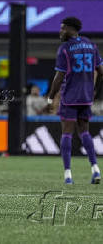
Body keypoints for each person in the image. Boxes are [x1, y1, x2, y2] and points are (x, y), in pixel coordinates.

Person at [47, 17, 103, 184]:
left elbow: (59, 77)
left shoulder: (65, 48)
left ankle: (68, 175)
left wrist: (50, 97)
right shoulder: (91, 45)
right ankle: (95, 169)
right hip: (86, 98)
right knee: (85, 132)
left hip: (70, 97)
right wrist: (95, 91)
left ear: (72, 29)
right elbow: (101, 71)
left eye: (63, 28)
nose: (60, 32)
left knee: (67, 133)